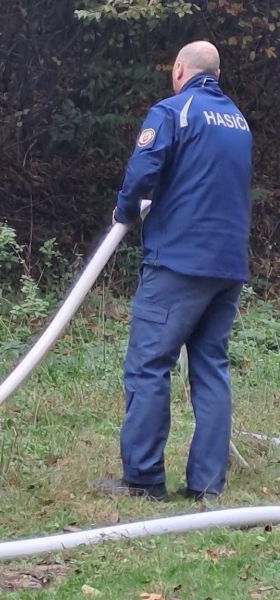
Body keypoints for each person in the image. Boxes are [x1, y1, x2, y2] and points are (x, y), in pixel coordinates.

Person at [96, 41, 253, 501]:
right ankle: (207, 487)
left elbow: (144, 169)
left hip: (179, 263)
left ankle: (143, 480)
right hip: (228, 267)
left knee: (148, 366)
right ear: (218, 75)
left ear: (179, 69)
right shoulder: (238, 122)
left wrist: (124, 212)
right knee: (211, 369)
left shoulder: (172, 111)